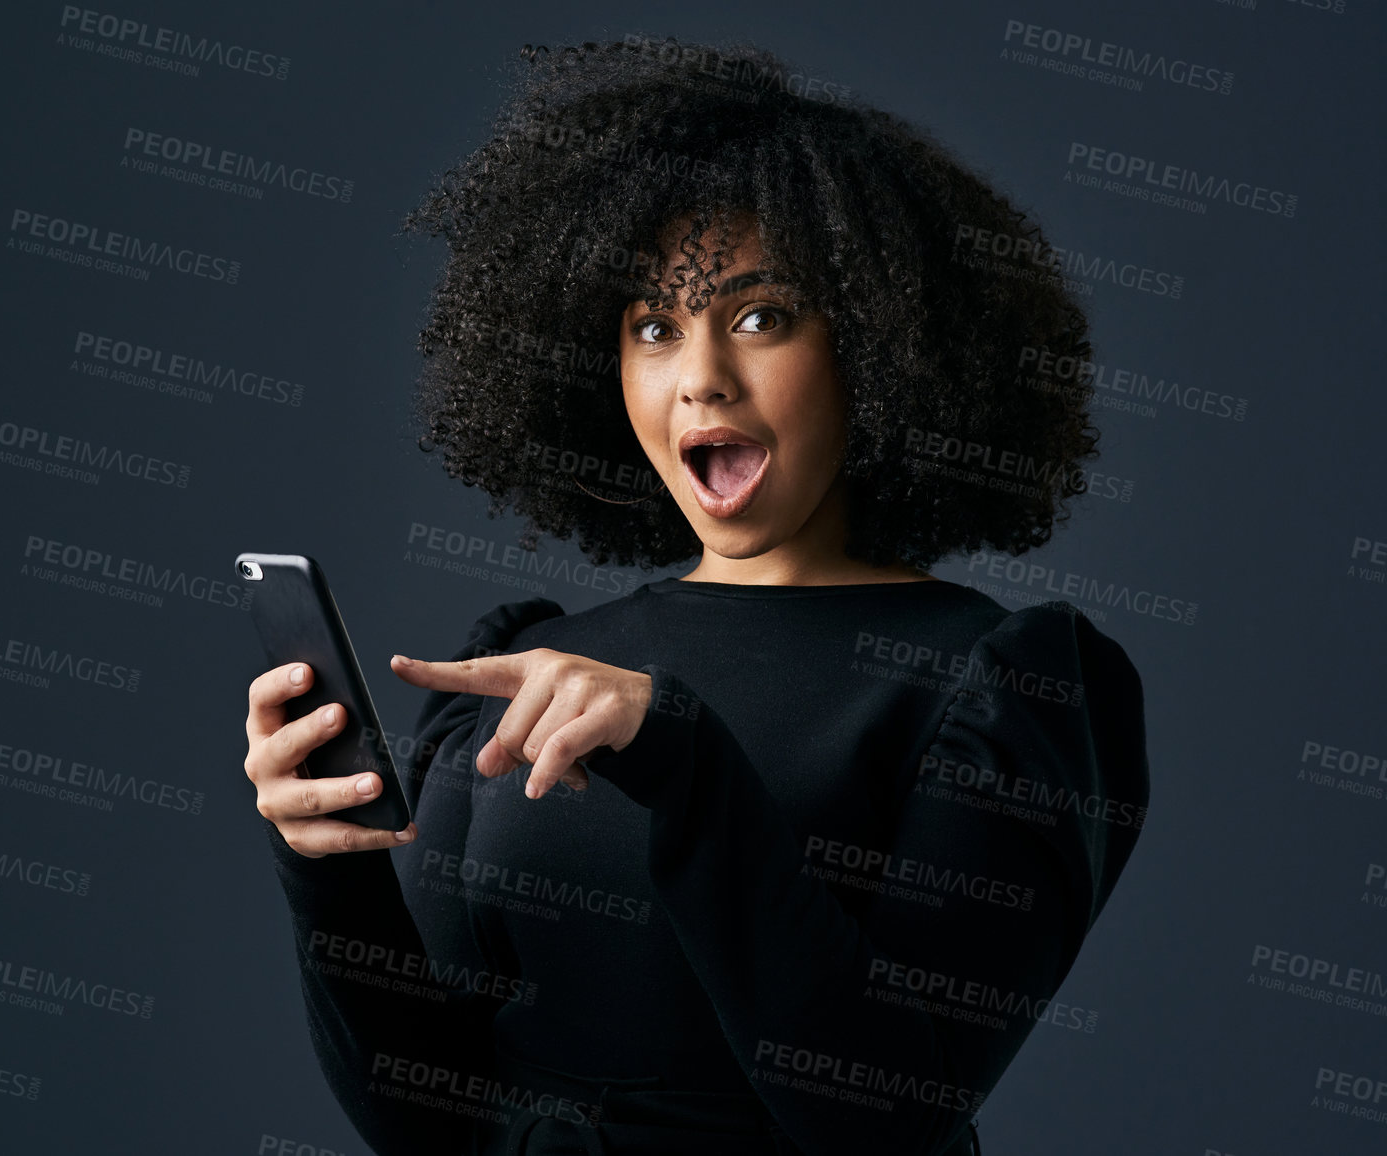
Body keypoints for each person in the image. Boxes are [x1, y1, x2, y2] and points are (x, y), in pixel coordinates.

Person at [244, 35, 1149, 1156]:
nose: (700, 375)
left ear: (880, 347)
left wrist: (686, 765)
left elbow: (882, 1114)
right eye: (653, 326)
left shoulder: (1007, 686)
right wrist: (323, 866)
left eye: (762, 315)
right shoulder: (536, 667)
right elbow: (426, 1118)